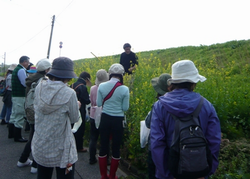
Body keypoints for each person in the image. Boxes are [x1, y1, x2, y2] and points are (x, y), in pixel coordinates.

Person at [150, 60, 221, 179]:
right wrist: (207, 172)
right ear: (193, 82)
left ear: (173, 82)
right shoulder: (206, 105)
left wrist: (165, 174)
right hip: (199, 171)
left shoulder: (159, 106)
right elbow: (214, 141)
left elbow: (156, 143)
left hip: (170, 172)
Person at [31, 57, 79, 179]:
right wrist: (76, 106)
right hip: (61, 147)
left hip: (41, 143)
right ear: (68, 76)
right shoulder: (69, 93)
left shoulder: (39, 87)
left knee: (43, 176)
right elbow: (74, 118)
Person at [17, 59, 51, 174]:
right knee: (40, 138)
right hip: (39, 113)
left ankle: (23, 159)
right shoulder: (43, 81)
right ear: (46, 70)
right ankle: (36, 166)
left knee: (33, 136)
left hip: (30, 111)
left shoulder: (31, 78)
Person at [97, 63, 129, 179]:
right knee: (116, 147)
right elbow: (125, 108)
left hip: (105, 118)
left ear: (109, 74)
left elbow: (99, 104)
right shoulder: (124, 89)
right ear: (121, 75)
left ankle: (103, 175)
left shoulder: (101, 86)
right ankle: (112, 175)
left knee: (103, 146)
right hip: (118, 120)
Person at [145, 73, 171, 179]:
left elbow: (148, 123)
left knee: (153, 174)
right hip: (172, 148)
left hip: (155, 148)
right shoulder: (179, 103)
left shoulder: (158, 105)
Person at [89, 69, 109, 165]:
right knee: (104, 138)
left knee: (93, 138)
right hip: (103, 114)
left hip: (93, 114)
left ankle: (91, 159)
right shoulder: (107, 88)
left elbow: (91, 101)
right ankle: (105, 159)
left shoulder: (92, 88)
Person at [8, 56, 30, 142]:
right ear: (24, 62)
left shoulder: (16, 69)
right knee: (19, 115)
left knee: (13, 115)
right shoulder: (21, 70)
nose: (28, 64)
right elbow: (24, 83)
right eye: (28, 62)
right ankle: (17, 137)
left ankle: (11, 134)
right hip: (20, 95)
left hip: (15, 95)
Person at [71, 72, 91, 152]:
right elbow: (86, 101)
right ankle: (79, 147)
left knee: (72, 126)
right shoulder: (83, 87)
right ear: (86, 79)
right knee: (80, 127)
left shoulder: (72, 84)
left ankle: (72, 145)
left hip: (72, 108)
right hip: (80, 109)